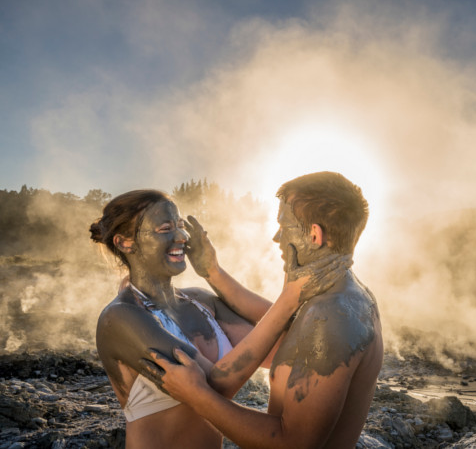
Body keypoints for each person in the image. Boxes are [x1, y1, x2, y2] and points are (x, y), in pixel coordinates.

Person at [143, 172, 384, 449]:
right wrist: (212, 272)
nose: (276, 236)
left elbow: (292, 442)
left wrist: (196, 395)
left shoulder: (330, 315)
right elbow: (282, 321)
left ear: (314, 235)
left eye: (284, 225)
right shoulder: (347, 293)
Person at [91, 189, 346, 449]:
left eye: (180, 226)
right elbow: (213, 388)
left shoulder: (202, 302)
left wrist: (212, 271)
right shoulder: (121, 317)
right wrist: (289, 297)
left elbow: (290, 344)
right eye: (165, 228)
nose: (181, 236)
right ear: (125, 242)